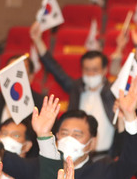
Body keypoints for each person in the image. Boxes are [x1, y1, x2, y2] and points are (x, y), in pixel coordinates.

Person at [30, 22, 116, 157]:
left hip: (105, 156)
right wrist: (37, 40)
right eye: (87, 70)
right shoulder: (77, 88)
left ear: (104, 70)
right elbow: (55, 69)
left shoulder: (113, 91)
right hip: (74, 154)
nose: (91, 74)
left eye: (95, 70)